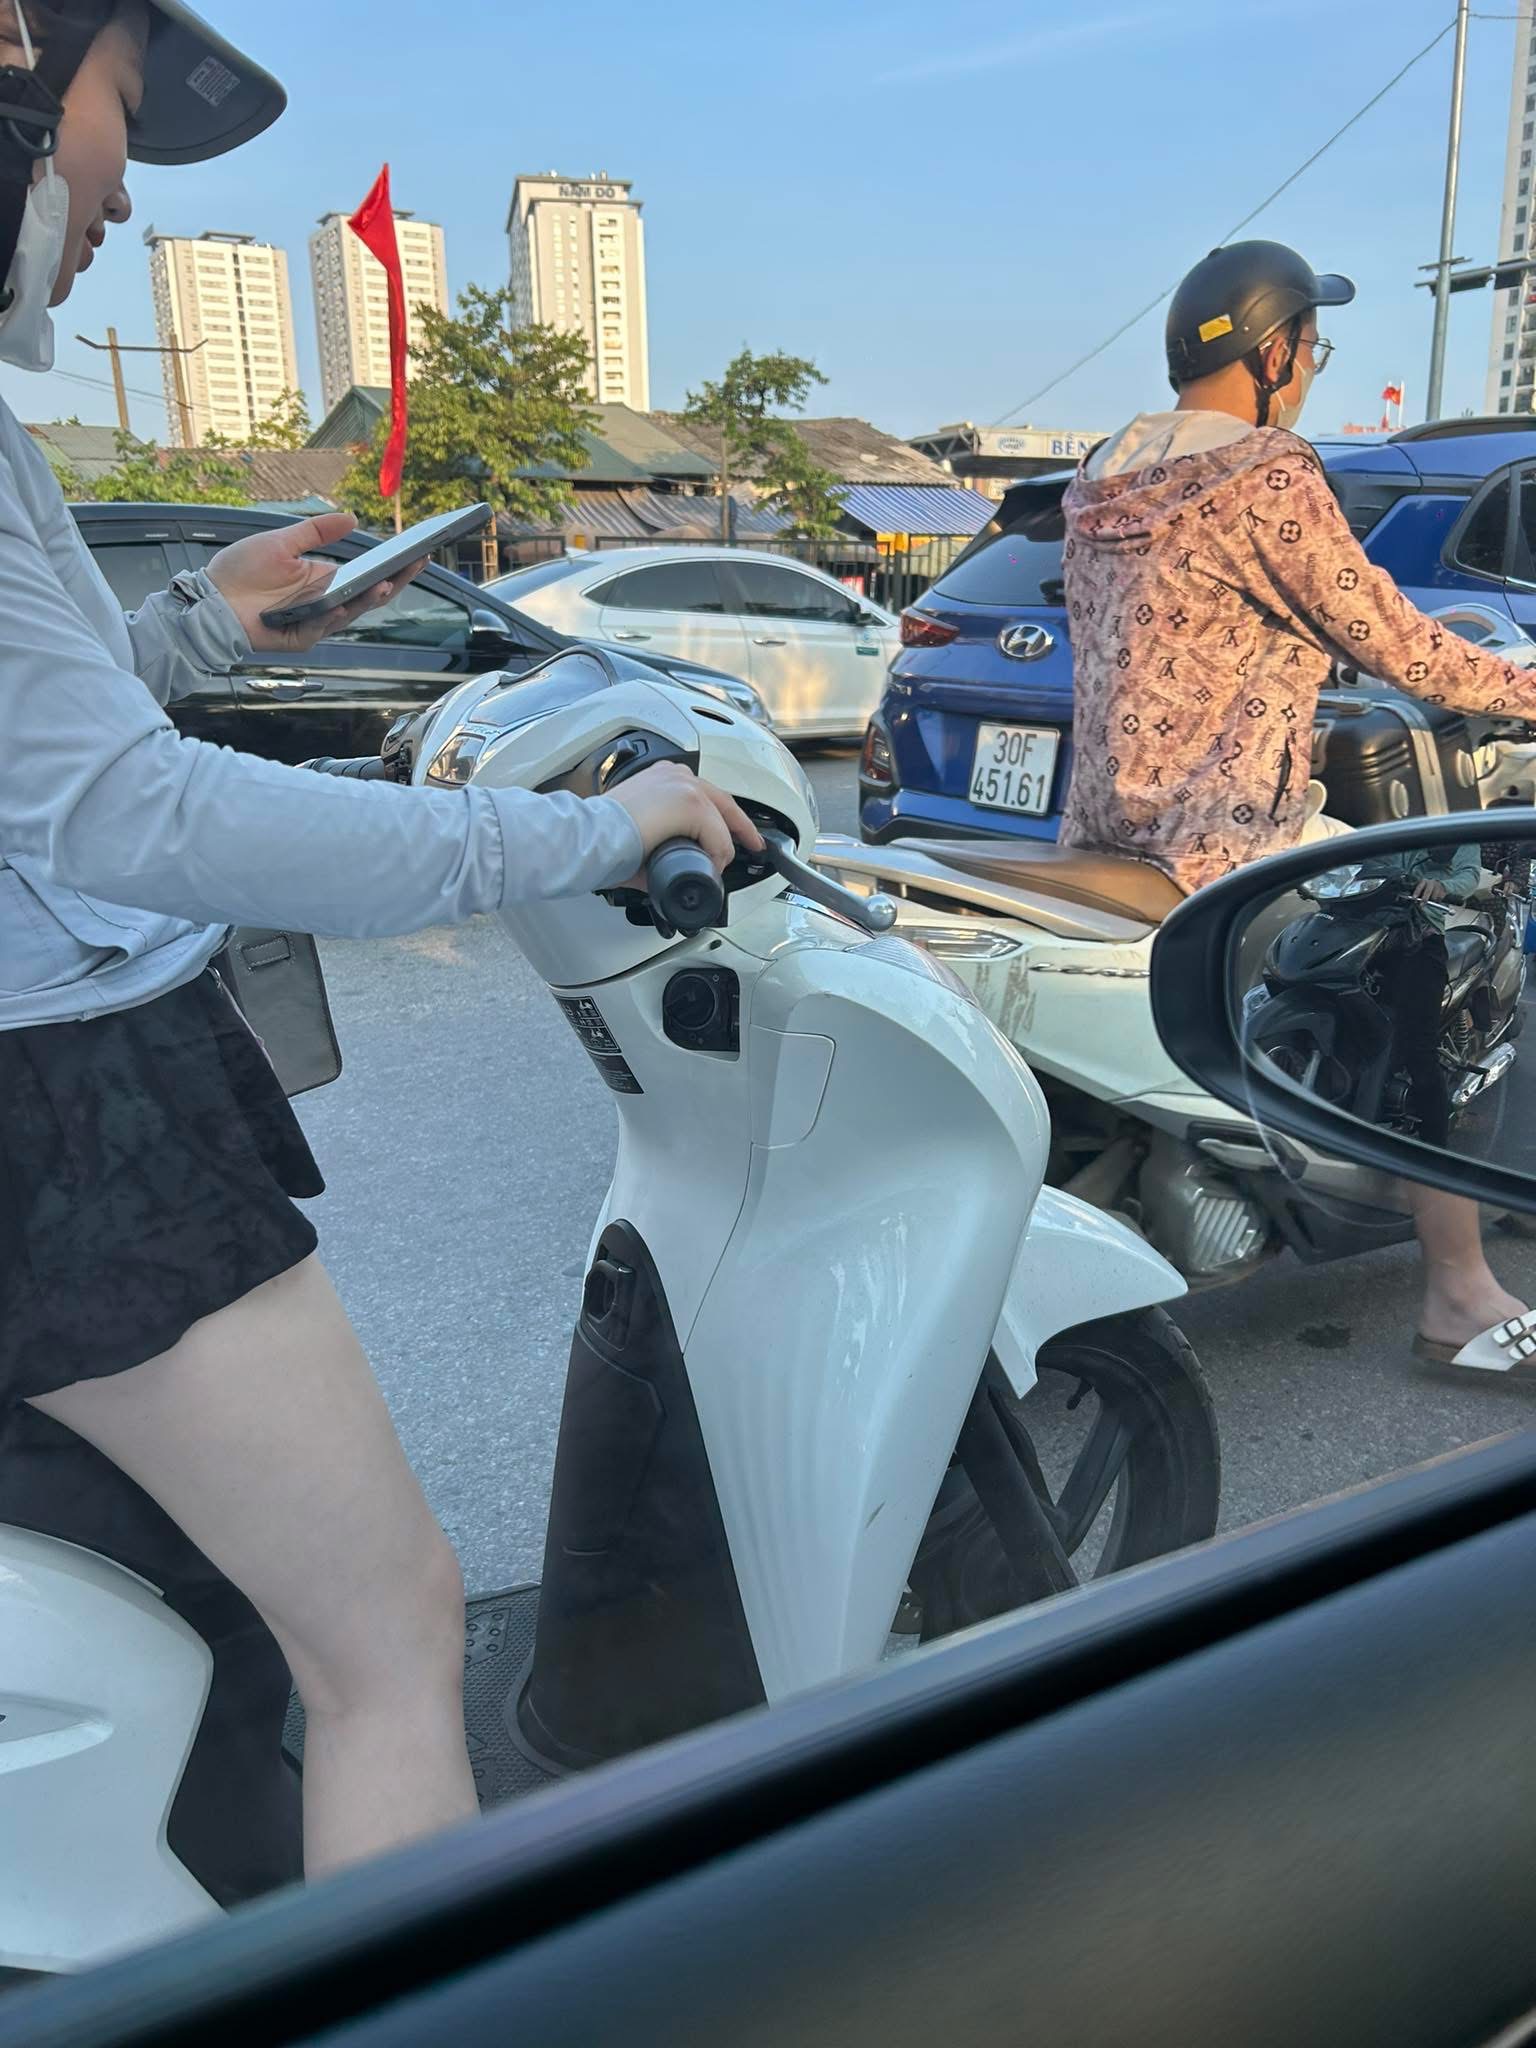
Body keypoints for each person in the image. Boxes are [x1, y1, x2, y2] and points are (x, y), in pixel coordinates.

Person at [0, 0, 762, 1878]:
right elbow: (127, 815)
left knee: (185, 1618)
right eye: (115, 111)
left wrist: (203, 624)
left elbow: (42, 752)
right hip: (63, 1115)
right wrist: (589, 827)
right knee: (389, 1637)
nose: (117, 191)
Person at [1058, 237, 1536, 1373]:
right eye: (1314, 347)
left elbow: (1180, 647)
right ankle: (1459, 1293)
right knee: (1433, 949)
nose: (1315, 368)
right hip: (1225, 844)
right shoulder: (1265, 472)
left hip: (1102, 835)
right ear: (1273, 353)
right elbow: (1395, 638)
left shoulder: (1100, 477)